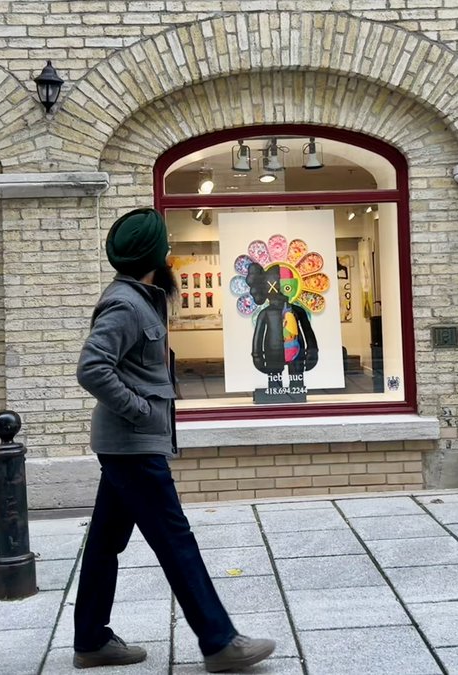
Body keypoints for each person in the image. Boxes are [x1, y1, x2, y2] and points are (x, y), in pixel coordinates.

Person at [73, 208, 276, 672]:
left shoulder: (142, 297)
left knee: (106, 542)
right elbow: (92, 368)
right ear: (152, 253)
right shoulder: (125, 304)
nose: (169, 251)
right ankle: (219, 640)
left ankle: (90, 640)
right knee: (175, 539)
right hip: (132, 444)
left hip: (127, 444)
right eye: (164, 244)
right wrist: (141, 410)